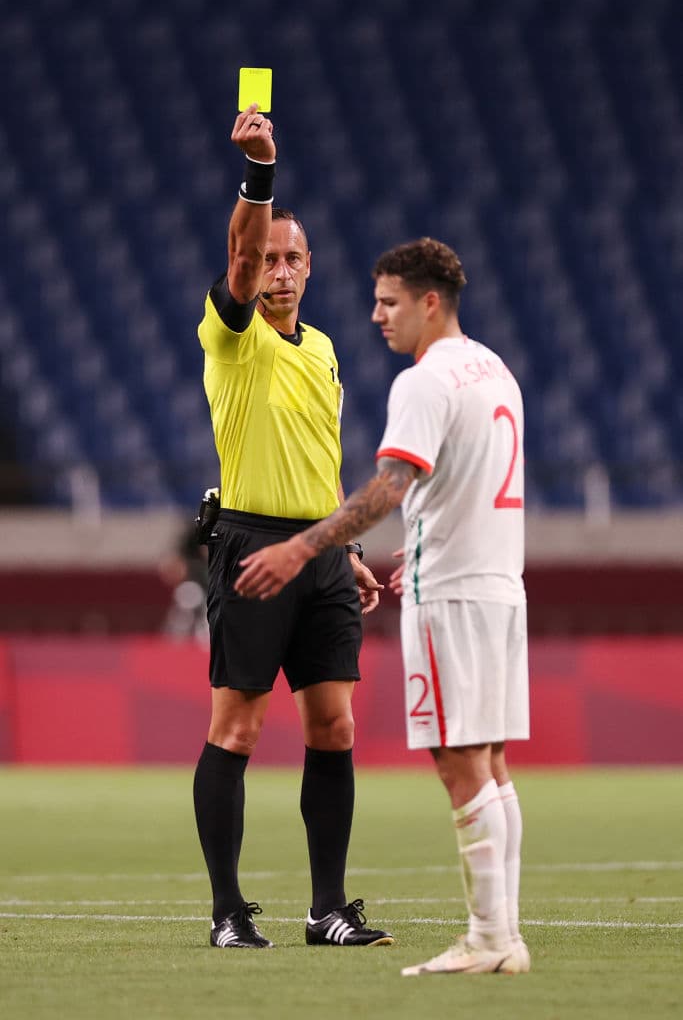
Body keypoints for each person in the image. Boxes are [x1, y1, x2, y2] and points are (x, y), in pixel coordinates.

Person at [235, 237, 531, 975]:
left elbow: (385, 490)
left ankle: (489, 939)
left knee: (458, 761)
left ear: (430, 301)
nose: (375, 316)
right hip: (500, 585)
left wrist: (302, 549)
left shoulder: (425, 381)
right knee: (491, 763)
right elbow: (463, 481)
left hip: (451, 596)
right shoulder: (493, 367)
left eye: (389, 301)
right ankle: (504, 935)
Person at [192, 103, 393, 951]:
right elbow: (237, 254)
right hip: (248, 545)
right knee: (236, 725)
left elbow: (322, 459)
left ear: (311, 268)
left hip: (317, 551)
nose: (276, 267)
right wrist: (261, 173)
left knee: (334, 726)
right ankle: (227, 913)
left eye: (290, 257)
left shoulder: (323, 348)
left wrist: (340, 546)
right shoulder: (232, 335)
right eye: (268, 256)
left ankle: (326, 911)